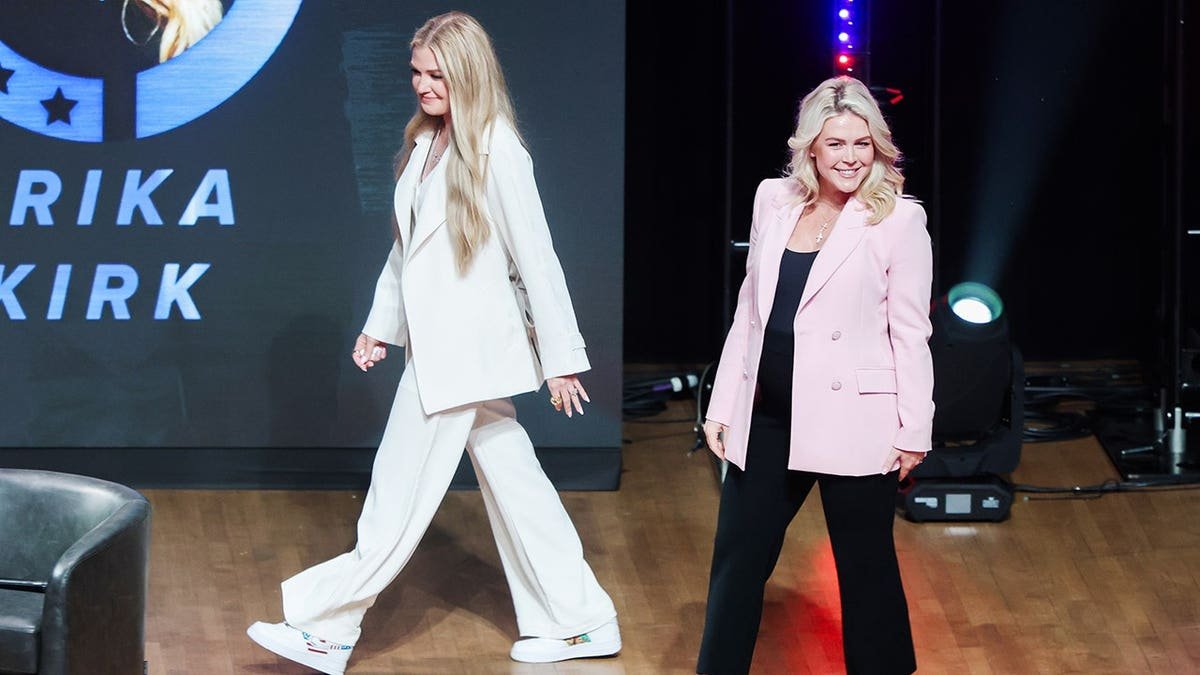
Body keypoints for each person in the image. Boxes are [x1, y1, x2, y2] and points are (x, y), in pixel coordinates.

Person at [247, 11, 619, 674]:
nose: (422, 85)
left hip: (464, 358)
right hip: (441, 354)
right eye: (416, 72)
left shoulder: (498, 148)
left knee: (397, 493)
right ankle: (580, 619)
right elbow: (407, 254)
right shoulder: (427, 145)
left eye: (436, 74)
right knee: (516, 483)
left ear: (468, 74)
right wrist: (378, 327)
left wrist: (561, 360)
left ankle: (328, 625)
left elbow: (539, 258)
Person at [697, 76, 934, 675]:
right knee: (738, 560)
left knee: (865, 568)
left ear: (878, 147)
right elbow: (750, 311)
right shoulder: (772, 201)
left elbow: (911, 332)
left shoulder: (898, 221)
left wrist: (914, 430)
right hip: (769, 414)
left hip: (855, 419)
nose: (851, 158)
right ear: (810, 148)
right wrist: (724, 404)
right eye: (836, 145)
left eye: (862, 144)